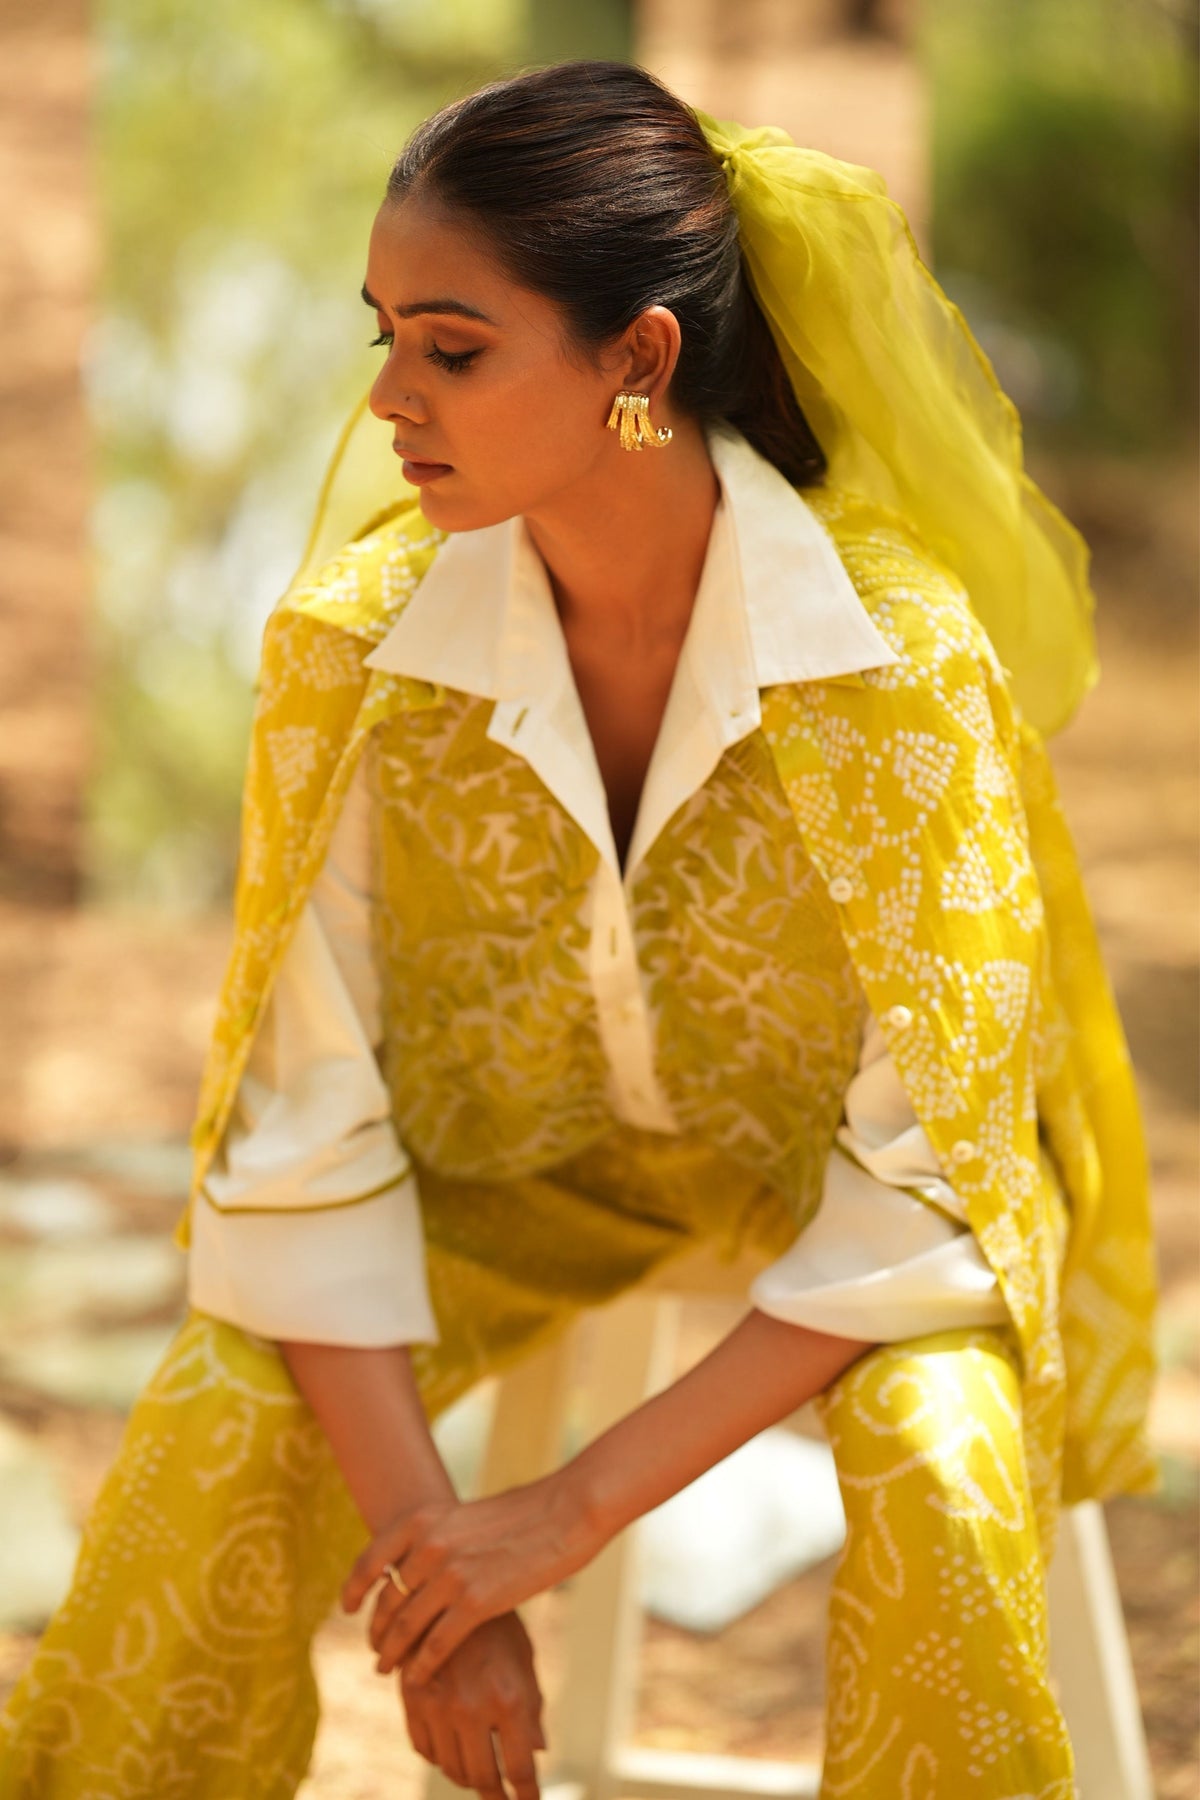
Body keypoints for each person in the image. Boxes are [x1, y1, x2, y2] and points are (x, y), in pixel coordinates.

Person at [0, 58, 1159, 1800]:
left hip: (827, 1199)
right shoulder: (358, 653)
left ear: (639, 360)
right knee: (217, 1415)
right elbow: (302, 1128)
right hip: (509, 1176)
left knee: (942, 1444)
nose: (391, 396)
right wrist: (441, 1578)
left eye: (452, 347)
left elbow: (928, 1184)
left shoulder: (897, 675)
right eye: (382, 331)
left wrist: (559, 1515)